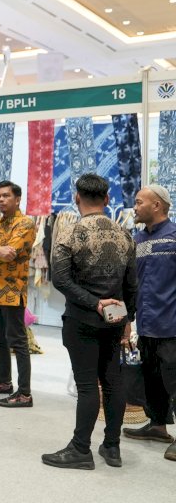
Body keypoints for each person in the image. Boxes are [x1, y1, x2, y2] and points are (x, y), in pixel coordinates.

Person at [43, 173, 137, 470]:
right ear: (107, 200)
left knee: (86, 384)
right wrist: (127, 318)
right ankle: (112, 447)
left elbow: (60, 279)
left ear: (76, 198)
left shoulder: (69, 234)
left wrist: (94, 303)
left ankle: (80, 449)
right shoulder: (125, 235)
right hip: (114, 319)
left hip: (82, 318)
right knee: (112, 381)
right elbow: (132, 284)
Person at [123, 185, 176, 461]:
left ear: (157, 205)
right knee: (152, 379)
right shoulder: (137, 239)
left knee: (174, 380)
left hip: (172, 326)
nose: (135, 206)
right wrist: (128, 320)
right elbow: (132, 284)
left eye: (139, 202)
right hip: (146, 324)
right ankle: (157, 426)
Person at [0, 180, 36, 407]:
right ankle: (5, 381)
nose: (1, 200)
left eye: (6, 196)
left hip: (13, 291)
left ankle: (25, 393)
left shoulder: (25, 224)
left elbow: (9, 254)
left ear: (17, 199)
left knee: (18, 342)